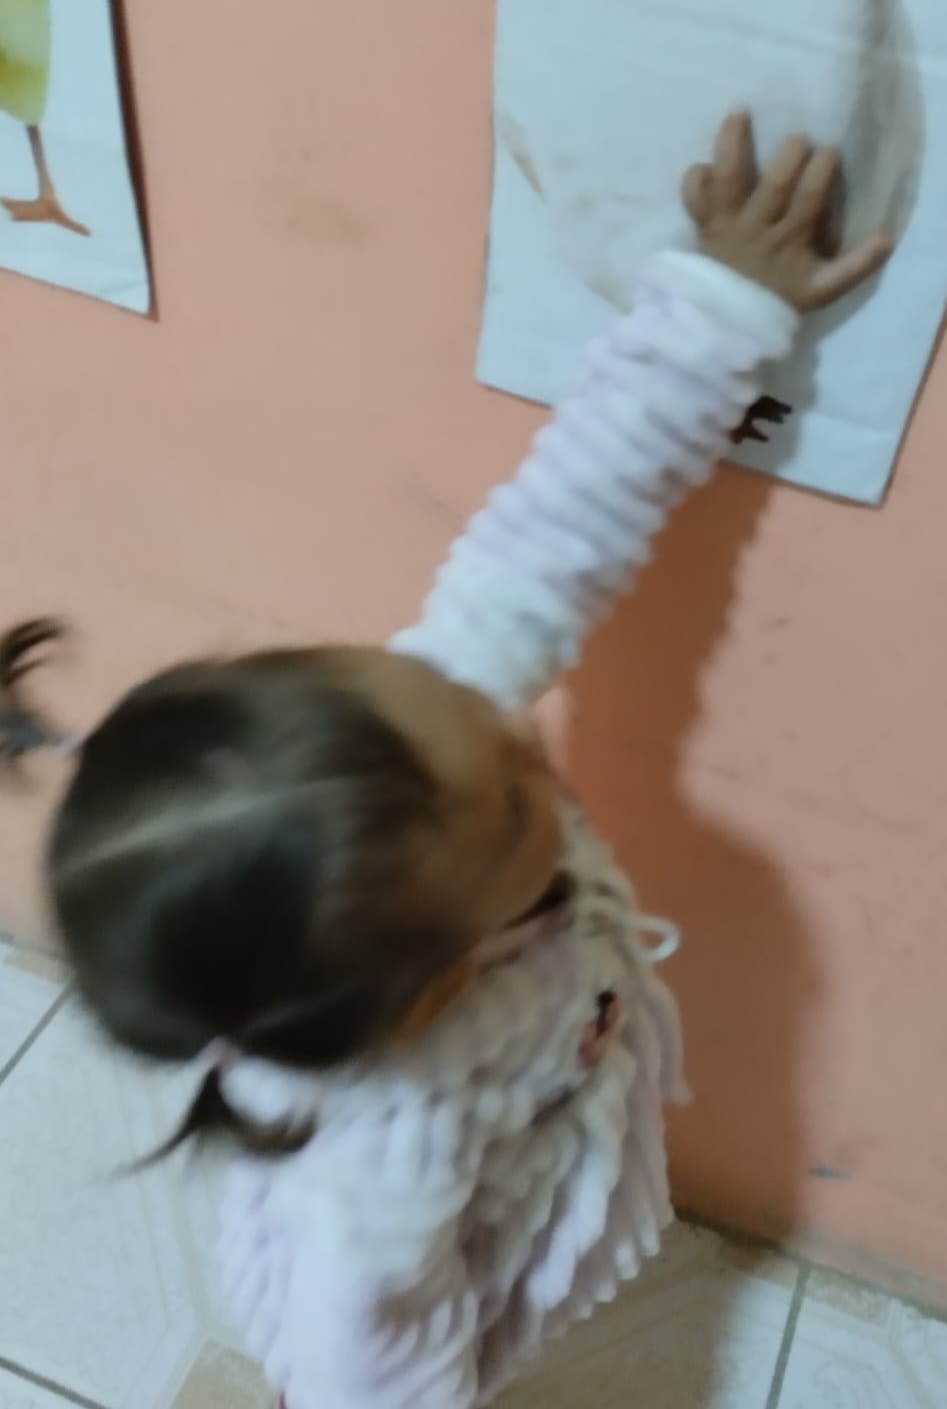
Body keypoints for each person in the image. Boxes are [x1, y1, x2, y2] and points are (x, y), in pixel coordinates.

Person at [0, 111, 890, 1409]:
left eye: (436, 683)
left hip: (544, 1102)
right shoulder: (383, 1171)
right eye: (522, 797)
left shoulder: (423, 747)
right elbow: (371, 1370)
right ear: (431, 994)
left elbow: (552, 538)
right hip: (454, 1285)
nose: (515, 723)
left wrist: (714, 314)